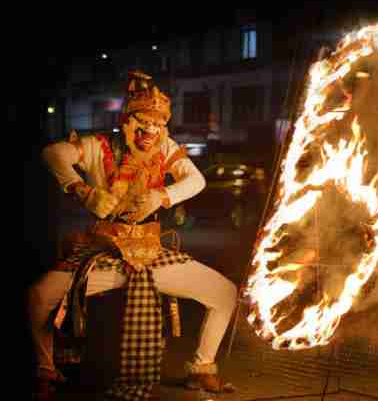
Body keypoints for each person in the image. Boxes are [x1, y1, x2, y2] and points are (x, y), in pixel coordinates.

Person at [28, 71, 237, 399]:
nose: (150, 131)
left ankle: (201, 367)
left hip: (152, 255)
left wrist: (162, 196)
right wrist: (83, 191)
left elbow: (196, 181)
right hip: (103, 257)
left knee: (225, 293)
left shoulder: (164, 148)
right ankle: (45, 368)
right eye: (142, 121)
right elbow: (52, 154)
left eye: (158, 124)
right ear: (126, 121)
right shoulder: (97, 145)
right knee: (38, 297)